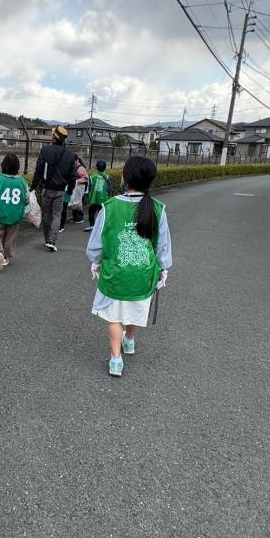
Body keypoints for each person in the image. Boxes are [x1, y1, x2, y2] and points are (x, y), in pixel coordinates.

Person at [86, 157, 172, 377]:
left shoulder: (109, 207)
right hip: (143, 275)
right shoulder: (158, 208)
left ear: (125, 178)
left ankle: (116, 360)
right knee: (135, 311)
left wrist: (96, 262)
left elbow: (96, 244)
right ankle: (130, 341)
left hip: (115, 274)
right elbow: (163, 245)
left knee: (115, 317)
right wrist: (163, 269)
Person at [29, 126, 77, 252]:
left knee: (46, 215)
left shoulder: (45, 150)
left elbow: (39, 170)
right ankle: (52, 240)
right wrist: (70, 190)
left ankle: (47, 240)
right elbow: (72, 176)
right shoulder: (70, 155)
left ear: (54, 137)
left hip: (46, 188)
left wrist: (33, 186)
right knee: (57, 215)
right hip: (60, 190)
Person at [0, 154, 28, 272]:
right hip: (15, 215)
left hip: (0, 214)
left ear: (3, 165)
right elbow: (26, 199)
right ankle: (5, 257)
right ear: (18, 167)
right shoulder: (22, 181)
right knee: (10, 237)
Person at [84, 159, 112, 231]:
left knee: (91, 212)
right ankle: (101, 226)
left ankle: (92, 226)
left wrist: (87, 197)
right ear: (105, 168)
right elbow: (109, 189)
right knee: (102, 214)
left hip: (93, 198)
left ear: (96, 167)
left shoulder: (92, 177)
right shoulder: (107, 177)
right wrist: (108, 196)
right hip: (103, 199)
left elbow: (89, 188)